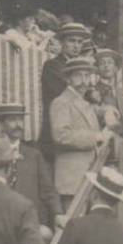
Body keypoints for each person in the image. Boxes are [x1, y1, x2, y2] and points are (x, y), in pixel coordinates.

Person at [0, 102, 66, 241]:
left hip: (28, 223)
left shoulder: (33, 155)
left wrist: (58, 213)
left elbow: (48, 189)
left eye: (20, 119)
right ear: (0, 125)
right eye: (12, 120)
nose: (18, 124)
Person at [50, 56, 111, 209]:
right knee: (73, 226)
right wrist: (96, 137)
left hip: (88, 176)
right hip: (72, 180)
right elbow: (61, 136)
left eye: (87, 75)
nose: (84, 81)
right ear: (68, 78)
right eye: (78, 75)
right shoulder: (61, 102)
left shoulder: (85, 103)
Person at [40, 22, 90, 162]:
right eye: (71, 41)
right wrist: (91, 94)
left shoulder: (80, 69)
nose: (76, 46)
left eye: (80, 42)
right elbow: (71, 92)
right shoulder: (52, 66)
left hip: (76, 132)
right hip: (56, 131)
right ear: (62, 42)